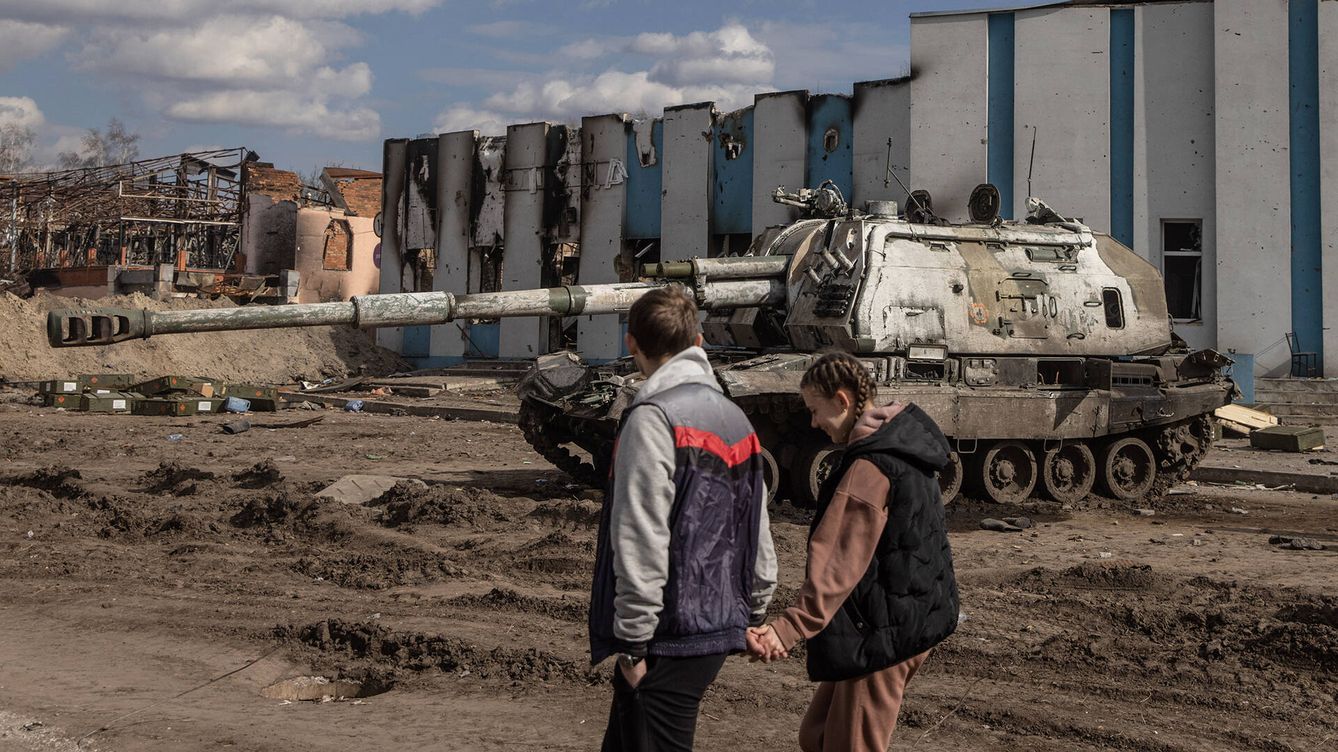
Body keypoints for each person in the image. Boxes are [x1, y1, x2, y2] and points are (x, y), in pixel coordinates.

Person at [590, 284, 777, 752]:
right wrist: (754, 608)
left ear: (631, 344)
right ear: (698, 343)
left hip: (667, 634)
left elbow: (641, 533)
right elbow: (756, 525)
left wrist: (633, 644)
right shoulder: (735, 419)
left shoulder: (654, 419)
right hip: (712, 624)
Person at [747, 352, 959, 752]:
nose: (812, 422)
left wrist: (785, 630)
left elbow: (839, 561)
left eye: (815, 410)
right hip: (902, 617)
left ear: (842, 402)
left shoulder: (871, 467)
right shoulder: (901, 445)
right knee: (819, 735)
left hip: (884, 632)